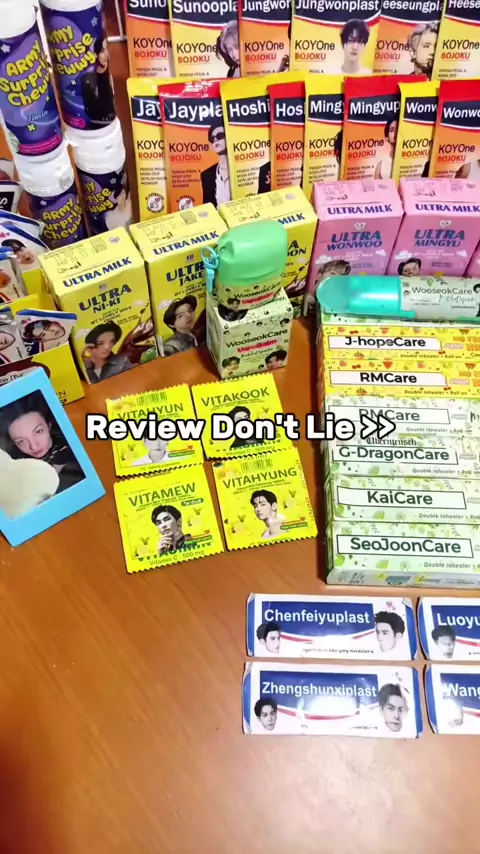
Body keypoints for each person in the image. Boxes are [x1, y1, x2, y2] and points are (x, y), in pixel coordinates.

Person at [0, 391, 84, 493]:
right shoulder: (15, 464)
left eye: (38, 431)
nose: (34, 447)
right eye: (21, 441)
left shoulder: (74, 448)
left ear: (49, 426)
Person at [81, 32, 116, 129]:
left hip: (111, 122)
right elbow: (89, 108)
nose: (106, 54)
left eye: (107, 49)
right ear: (96, 54)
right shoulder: (88, 80)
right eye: (102, 51)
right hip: (96, 125)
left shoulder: (109, 74)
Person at [201, 122, 231, 207]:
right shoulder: (206, 175)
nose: (215, 140)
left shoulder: (242, 169)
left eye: (220, 136)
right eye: (212, 138)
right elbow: (207, 207)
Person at [374, 115, 398, 180]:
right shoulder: (380, 166)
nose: (396, 132)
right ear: (387, 137)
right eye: (392, 130)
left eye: (398, 128)